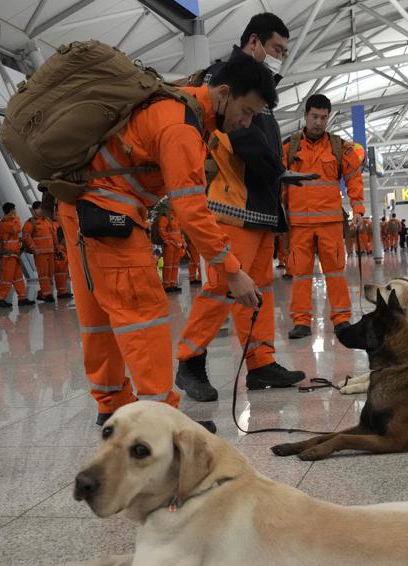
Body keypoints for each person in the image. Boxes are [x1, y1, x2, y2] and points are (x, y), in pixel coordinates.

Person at [54, 56, 272, 425]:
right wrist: (232, 270)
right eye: (245, 111)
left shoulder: (178, 104)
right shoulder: (181, 127)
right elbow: (191, 210)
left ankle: (112, 403)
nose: (245, 123)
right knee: (143, 312)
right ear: (223, 94)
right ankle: (162, 421)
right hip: (109, 212)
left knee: (100, 315)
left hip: (79, 209)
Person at [175, 12, 305, 401]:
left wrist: (277, 173)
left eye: (284, 50)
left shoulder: (260, 88)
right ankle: (189, 361)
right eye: (276, 48)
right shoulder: (228, 79)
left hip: (260, 204)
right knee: (222, 287)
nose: (280, 56)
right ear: (253, 42)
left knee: (259, 288)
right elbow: (242, 138)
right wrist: (278, 169)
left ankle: (261, 363)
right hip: (234, 203)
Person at [282, 93, 365, 339]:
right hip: (299, 224)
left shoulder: (340, 148)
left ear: (328, 118)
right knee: (300, 274)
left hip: (330, 223)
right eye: (314, 116)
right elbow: (277, 182)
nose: (318, 122)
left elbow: (354, 180)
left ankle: (341, 319)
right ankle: (301, 322)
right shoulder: (289, 148)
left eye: (323, 117)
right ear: (305, 115)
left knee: (336, 272)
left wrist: (358, 210)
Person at [0, 203, 34, 308]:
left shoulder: (9, 221)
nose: (16, 212)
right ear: (11, 210)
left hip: (14, 255)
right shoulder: (4, 223)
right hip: (8, 256)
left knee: (18, 277)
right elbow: (17, 229)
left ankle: (22, 298)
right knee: (7, 278)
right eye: (14, 210)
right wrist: (16, 218)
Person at [23, 201, 58, 302]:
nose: (42, 210)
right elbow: (26, 236)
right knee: (43, 275)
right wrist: (34, 248)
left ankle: (43, 293)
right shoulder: (31, 222)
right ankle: (47, 295)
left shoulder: (47, 221)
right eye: (40, 208)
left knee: (50, 274)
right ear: (35, 210)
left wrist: (56, 248)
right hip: (40, 253)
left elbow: (53, 235)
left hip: (50, 252)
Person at [157, 207, 184, 292]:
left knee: (175, 265)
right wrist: (167, 241)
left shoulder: (178, 216)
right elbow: (161, 230)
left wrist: (182, 242)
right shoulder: (166, 216)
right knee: (168, 265)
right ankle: (166, 285)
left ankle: (173, 284)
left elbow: (181, 231)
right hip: (170, 244)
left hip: (178, 245)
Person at [49, 204, 73, 299]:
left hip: (62, 248)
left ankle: (62, 291)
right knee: (60, 271)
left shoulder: (56, 223)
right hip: (60, 248)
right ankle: (61, 291)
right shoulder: (55, 224)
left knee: (62, 271)